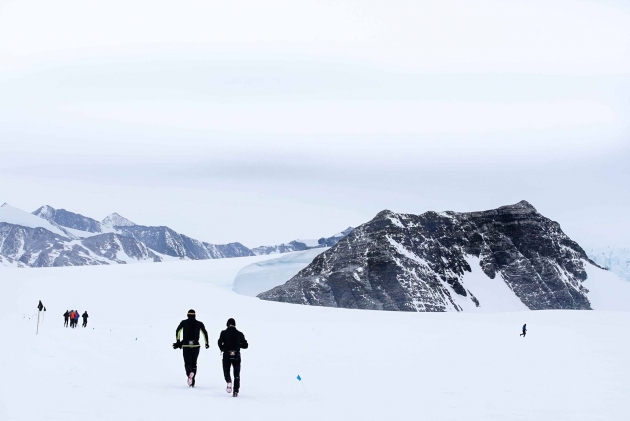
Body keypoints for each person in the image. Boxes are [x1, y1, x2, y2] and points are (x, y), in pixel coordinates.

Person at [173, 309, 209, 387]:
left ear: (187, 315)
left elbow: (178, 331)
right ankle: (192, 381)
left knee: (187, 363)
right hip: (196, 346)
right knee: (194, 363)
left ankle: (189, 373)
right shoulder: (199, 323)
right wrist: (206, 343)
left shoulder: (183, 322)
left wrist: (178, 341)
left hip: (186, 345)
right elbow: (205, 333)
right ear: (195, 315)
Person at [217, 318, 248, 397]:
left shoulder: (223, 333)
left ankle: (228, 380)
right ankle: (235, 391)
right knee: (236, 374)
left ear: (227, 324)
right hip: (236, 354)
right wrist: (238, 345)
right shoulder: (239, 333)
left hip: (227, 354)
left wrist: (222, 348)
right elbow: (245, 345)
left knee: (226, 370)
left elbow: (219, 342)